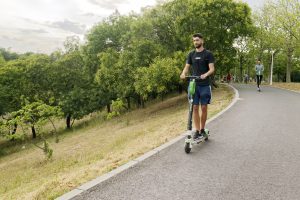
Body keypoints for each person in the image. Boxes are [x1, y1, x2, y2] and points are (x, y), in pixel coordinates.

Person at [180, 33, 215, 139]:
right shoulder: (191, 54)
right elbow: (187, 67)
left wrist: (206, 74)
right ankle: (197, 130)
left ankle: (202, 129)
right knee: (194, 107)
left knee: (204, 107)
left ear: (202, 41)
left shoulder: (208, 54)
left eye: (197, 40)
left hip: (204, 85)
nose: (195, 42)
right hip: (194, 85)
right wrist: (183, 73)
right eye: (194, 40)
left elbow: (212, 69)